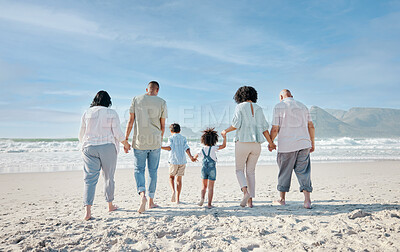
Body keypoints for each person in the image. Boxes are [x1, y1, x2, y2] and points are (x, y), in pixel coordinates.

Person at [78, 90, 131, 221]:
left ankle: (87, 212)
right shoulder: (111, 113)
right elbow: (117, 132)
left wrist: (83, 146)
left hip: (89, 147)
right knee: (108, 177)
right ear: (108, 101)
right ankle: (110, 205)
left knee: (89, 179)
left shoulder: (87, 113)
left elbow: (81, 134)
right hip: (107, 147)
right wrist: (125, 144)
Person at [222, 86, 276, 208]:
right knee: (251, 172)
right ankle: (250, 202)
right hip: (256, 145)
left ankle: (245, 193)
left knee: (239, 170)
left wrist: (225, 131)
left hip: (242, 143)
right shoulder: (259, 109)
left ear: (239, 96)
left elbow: (236, 125)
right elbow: (264, 128)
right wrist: (271, 143)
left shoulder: (239, 107)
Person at [124, 81, 167, 213]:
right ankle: (151, 201)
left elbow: (131, 121)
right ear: (157, 90)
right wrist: (160, 138)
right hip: (154, 141)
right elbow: (163, 124)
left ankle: (142, 195)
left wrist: (126, 139)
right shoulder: (162, 102)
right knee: (153, 171)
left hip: (139, 141)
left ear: (147, 89)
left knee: (139, 169)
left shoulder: (136, 99)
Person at [269, 89, 315, 209]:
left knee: (284, 171)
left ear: (281, 97)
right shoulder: (303, 106)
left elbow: (275, 128)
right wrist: (312, 143)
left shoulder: (279, 106)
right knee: (304, 172)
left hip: (286, 146)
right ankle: (307, 200)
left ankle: (282, 199)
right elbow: (311, 126)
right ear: (292, 96)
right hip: (304, 144)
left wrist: (271, 142)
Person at [161, 123, 196, 204]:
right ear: (180, 130)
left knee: (171, 177)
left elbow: (169, 147)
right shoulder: (183, 138)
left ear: (170, 131)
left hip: (173, 161)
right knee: (179, 180)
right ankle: (177, 199)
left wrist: (160, 147)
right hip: (182, 161)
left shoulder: (171, 138)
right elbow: (187, 148)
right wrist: (191, 157)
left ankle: (173, 191)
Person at [193, 128, 226, 209]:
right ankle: (209, 204)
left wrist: (194, 158)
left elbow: (195, 156)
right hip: (212, 169)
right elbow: (224, 146)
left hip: (204, 169)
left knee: (203, 186)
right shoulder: (214, 148)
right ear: (214, 139)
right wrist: (224, 137)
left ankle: (202, 198)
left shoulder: (202, 149)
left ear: (203, 140)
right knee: (210, 187)